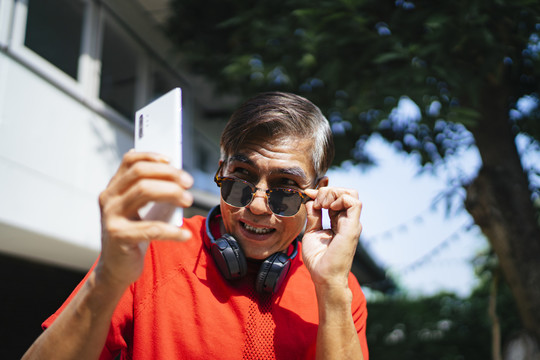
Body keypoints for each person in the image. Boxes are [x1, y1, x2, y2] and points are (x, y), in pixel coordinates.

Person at [23, 92, 368, 359]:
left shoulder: (339, 286)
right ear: (221, 171)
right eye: (241, 179)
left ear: (318, 193)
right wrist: (108, 279)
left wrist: (331, 288)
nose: (258, 206)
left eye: (285, 189)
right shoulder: (154, 249)